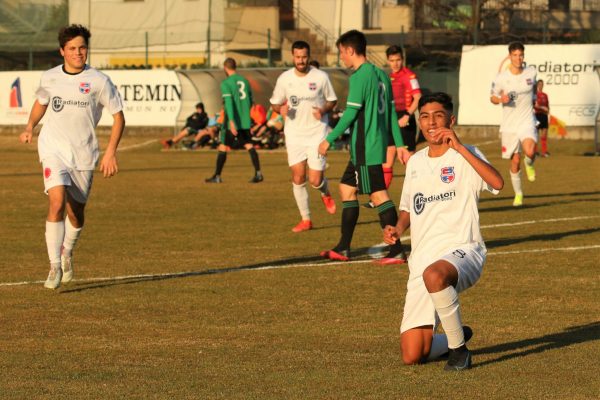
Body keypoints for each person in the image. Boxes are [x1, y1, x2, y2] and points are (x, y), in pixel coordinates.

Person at [383, 92, 504, 371]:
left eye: (438, 116)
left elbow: (497, 183)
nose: (431, 122)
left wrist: (460, 148)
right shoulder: (415, 162)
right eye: (424, 117)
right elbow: (409, 208)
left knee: (435, 275)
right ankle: (456, 334)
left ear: (451, 119)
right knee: (412, 354)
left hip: (464, 249)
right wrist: (397, 228)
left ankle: (459, 352)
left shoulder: (468, 153)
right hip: (421, 260)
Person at [18, 24, 125, 290]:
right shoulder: (50, 77)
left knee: (75, 213)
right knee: (56, 201)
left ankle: (67, 251)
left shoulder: (99, 81)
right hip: (53, 148)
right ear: (62, 51)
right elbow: (41, 103)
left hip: (84, 154)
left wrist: (110, 152)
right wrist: (30, 126)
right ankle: (54, 265)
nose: (79, 53)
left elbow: (118, 117)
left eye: (82, 48)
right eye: (73, 49)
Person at [317, 29, 410, 264]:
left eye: (341, 53)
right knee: (346, 189)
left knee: (378, 195)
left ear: (350, 50)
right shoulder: (381, 74)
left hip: (364, 146)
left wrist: (330, 138)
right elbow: (390, 113)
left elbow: (350, 114)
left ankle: (396, 248)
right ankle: (343, 247)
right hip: (373, 143)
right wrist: (399, 144)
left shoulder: (360, 76)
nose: (341, 59)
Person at [270, 41, 338, 232]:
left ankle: (325, 191)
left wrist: (323, 108)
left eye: (304, 57)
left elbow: (332, 100)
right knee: (298, 177)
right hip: (294, 135)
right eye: (298, 57)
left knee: (315, 180)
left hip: (317, 133)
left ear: (308, 56)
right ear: (293, 56)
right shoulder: (284, 79)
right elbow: (274, 104)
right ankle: (306, 219)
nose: (301, 60)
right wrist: (280, 108)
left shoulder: (321, 77)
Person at [363, 45, 422, 209]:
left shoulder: (409, 76)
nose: (395, 63)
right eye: (392, 60)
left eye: (398, 60)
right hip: (391, 120)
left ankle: (422, 195)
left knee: (411, 164)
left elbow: (417, 97)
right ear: (388, 61)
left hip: (405, 119)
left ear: (402, 59)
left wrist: (407, 115)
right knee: (386, 163)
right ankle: (378, 198)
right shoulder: (389, 77)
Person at [490, 41, 537, 207]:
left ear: (524, 56)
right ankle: (519, 194)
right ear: (509, 56)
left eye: (521, 55)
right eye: (515, 55)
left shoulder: (531, 72)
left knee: (530, 151)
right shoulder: (502, 78)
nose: (518, 58)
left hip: (527, 120)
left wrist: (535, 100)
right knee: (515, 161)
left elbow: (534, 89)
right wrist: (500, 99)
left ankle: (530, 162)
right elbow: (492, 97)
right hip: (509, 125)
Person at [205, 58, 263, 183]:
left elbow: (229, 103)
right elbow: (251, 102)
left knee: (223, 146)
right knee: (249, 145)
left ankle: (217, 176)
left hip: (232, 122)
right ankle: (258, 173)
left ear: (225, 68)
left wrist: (231, 121)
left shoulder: (226, 83)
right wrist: (245, 116)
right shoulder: (245, 81)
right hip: (245, 121)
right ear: (235, 67)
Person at [534, 79, 550, 157]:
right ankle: (535, 151)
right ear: (537, 85)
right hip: (537, 115)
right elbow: (535, 105)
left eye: (542, 84)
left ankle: (544, 152)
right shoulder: (535, 95)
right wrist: (542, 108)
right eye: (539, 84)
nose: (541, 86)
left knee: (544, 135)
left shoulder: (545, 95)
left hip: (544, 116)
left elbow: (547, 105)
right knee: (535, 135)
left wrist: (547, 110)